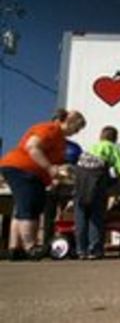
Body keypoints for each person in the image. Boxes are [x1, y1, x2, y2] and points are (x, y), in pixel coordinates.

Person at [0, 110, 86, 260]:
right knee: (29, 206)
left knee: (22, 208)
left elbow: (57, 164)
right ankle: (30, 247)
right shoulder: (49, 129)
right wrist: (49, 168)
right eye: (77, 128)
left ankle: (15, 248)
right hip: (23, 168)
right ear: (69, 121)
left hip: (29, 172)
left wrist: (60, 174)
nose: (76, 132)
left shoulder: (61, 141)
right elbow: (32, 147)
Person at [73, 126, 120, 260]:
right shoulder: (112, 148)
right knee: (95, 217)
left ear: (101, 136)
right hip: (97, 185)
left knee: (81, 218)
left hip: (80, 185)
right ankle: (95, 250)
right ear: (115, 138)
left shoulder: (91, 148)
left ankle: (81, 250)